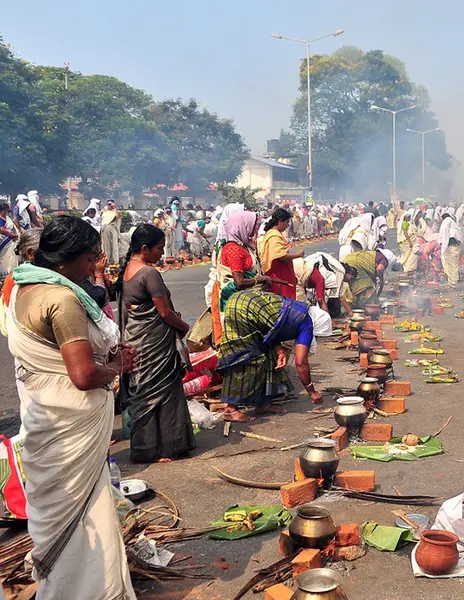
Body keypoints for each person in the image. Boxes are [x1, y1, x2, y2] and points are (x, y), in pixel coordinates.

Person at [6, 216, 136, 599]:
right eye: (91, 257)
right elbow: (81, 374)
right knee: (86, 516)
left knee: (62, 515)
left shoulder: (22, 287)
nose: (95, 264)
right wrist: (117, 367)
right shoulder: (62, 299)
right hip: (69, 425)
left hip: (44, 418)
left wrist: (106, 355)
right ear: (65, 260)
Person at [116, 224, 194, 462]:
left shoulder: (127, 270)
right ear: (144, 248)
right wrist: (184, 327)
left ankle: (146, 448)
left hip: (136, 340)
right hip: (154, 343)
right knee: (165, 391)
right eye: (159, 248)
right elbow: (164, 313)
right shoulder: (149, 274)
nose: (162, 252)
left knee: (144, 394)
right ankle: (169, 447)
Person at [217, 289, 331, 421]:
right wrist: (312, 392)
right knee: (249, 358)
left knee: (269, 356)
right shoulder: (307, 324)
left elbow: (273, 325)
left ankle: (262, 403)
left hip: (241, 300)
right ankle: (230, 410)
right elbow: (300, 362)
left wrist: (279, 349)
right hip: (244, 309)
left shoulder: (300, 310)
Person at [212, 211, 269, 345]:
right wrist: (258, 280)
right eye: (253, 225)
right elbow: (239, 282)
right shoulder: (233, 249)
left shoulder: (244, 245)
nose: (255, 229)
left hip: (248, 297)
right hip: (236, 299)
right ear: (243, 226)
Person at [259, 208, 305, 299]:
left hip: (283, 275)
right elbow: (280, 256)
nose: (288, 226)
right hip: (278, 276)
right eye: (287, 222)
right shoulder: (273, 235)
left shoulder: (276, 234)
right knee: (284, 303)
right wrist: (298, 255)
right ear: (280, 222)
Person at [439, 211, 461, 287]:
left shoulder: (447, 228)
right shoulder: (456, 229)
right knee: (453, 266)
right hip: (455, 249)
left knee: (451, 266)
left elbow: (444, 240)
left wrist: (443, 246)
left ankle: (452, 283)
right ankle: (452, 282)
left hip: (450, 249)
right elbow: (459, 241)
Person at [0, 203, 18, 281]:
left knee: (11, 257)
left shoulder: (7, 218)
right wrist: (12, 235)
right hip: (3, 241)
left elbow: (13, 227)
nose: (6, 212)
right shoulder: (0, 219)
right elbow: (2, 230)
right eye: (5, 211)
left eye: (7, 211)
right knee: (3, 258)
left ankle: (10, 272)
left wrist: (15, 234)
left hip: (11, 241)